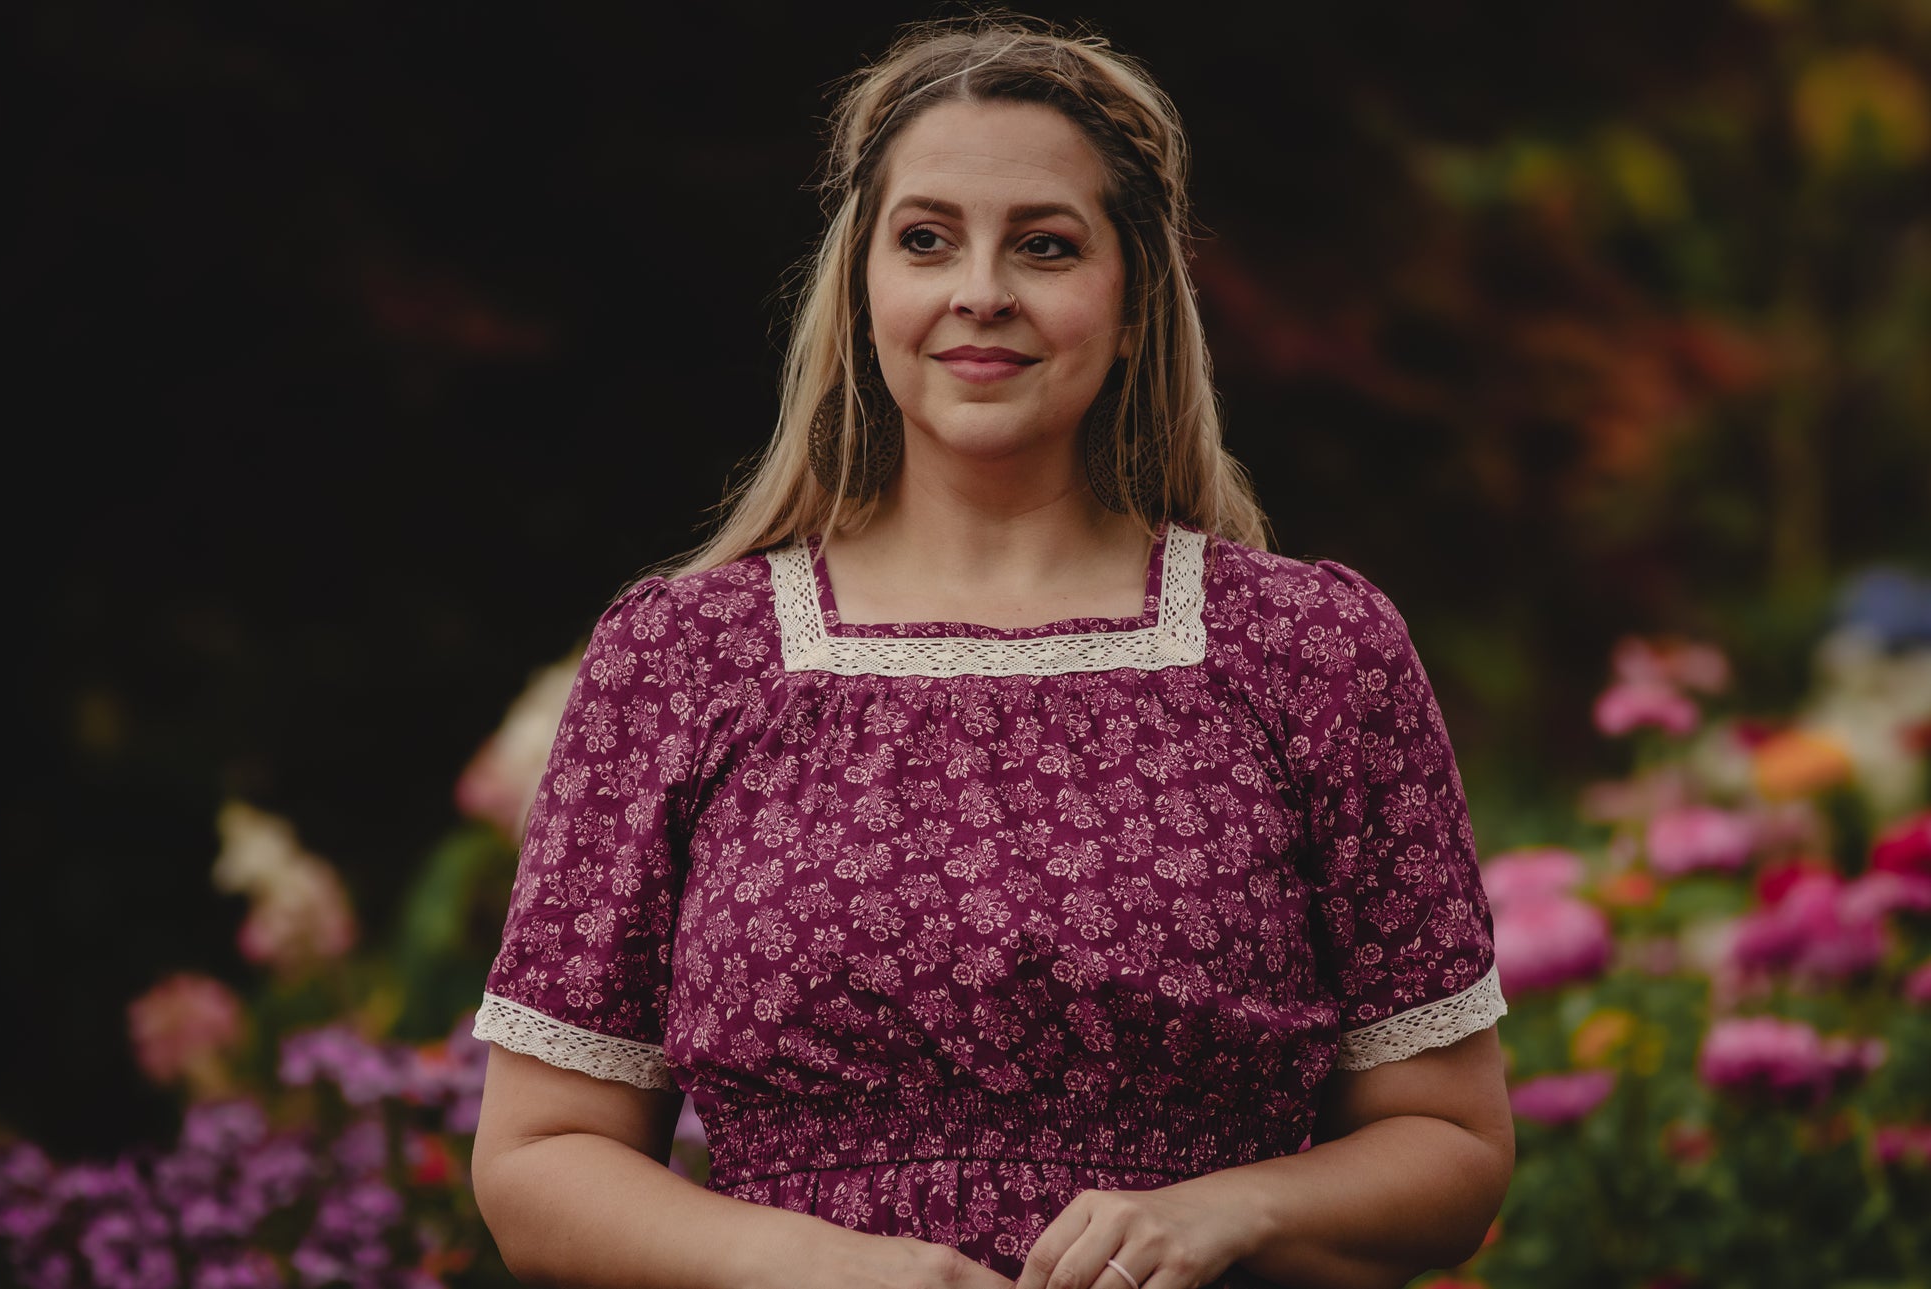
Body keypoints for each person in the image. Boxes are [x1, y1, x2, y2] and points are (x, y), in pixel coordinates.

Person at [468, 17, 1512, 1289]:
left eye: (1045, 244)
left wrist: (1225, 1212)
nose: (980, 290)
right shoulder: (682, 656)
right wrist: (812, 1265)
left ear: (1133, 301)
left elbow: (1450, 1139)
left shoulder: (1310, 648)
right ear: (862, 290)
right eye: (924, 239)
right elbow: (537, 1158)